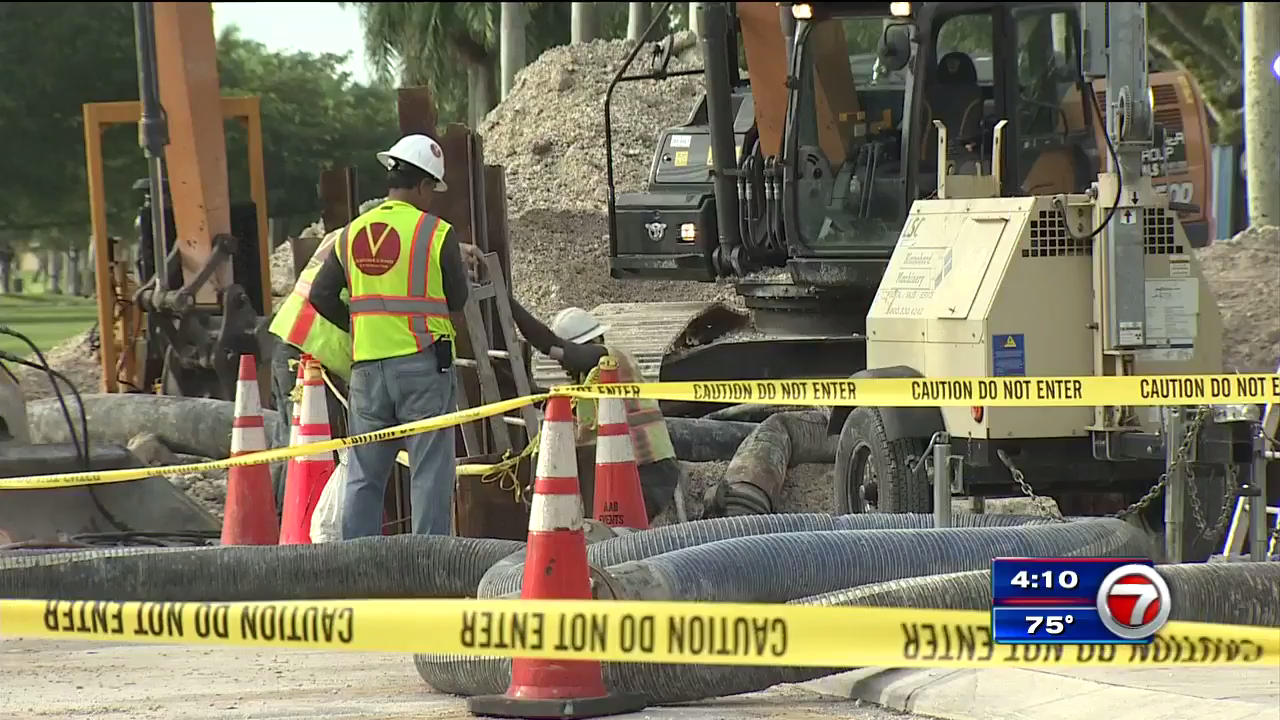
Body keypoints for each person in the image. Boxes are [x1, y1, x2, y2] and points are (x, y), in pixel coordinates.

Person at [308, 133, 472, 539]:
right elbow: (458, 298)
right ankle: (426, 573)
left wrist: (361, 325)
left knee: (364, 476)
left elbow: (320, 294)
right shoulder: (436, 233)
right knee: (429, 476)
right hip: (422, 366)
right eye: (432, 187)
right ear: (422, 185)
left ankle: (359, 572)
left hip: (367, 372)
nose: (431, 196)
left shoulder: (351, 233)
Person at [509, 302, 682, 522]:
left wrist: (509, 305)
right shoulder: (586, 386)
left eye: (565, 361)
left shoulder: (613, 360)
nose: (564, 367)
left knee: (619, 534)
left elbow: (552, 345)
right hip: (624, 469)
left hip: (649, 469)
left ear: (590, 344)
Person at [264, 225, 352, 507]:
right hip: (311, 354)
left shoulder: (346, 234)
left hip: (290, 339)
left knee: (289, 444)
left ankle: (278, 524)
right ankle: (293, 527)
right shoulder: (373, 247)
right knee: (308, 448)